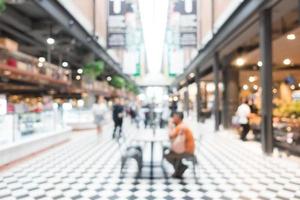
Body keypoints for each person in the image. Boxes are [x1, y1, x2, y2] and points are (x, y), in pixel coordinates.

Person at [164, 112, 195, 178]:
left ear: (178, 118)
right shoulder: (182, 125)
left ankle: (180, 168)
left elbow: (170, 136)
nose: (173, 119)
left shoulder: (180, 127)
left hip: (187, 151)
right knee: (170, 153)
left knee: (167, 155)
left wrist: (170, 124)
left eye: (174, 117)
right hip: (187, 149)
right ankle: (180, 168)